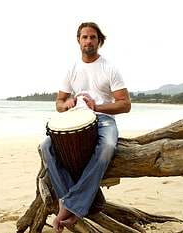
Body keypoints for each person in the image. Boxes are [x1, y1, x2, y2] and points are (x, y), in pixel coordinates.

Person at [40, 22, 131, 233]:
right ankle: (70, 201)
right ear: (78, 40)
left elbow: (125, 104)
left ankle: (69, 204)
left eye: (93, 37)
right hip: (75, 120)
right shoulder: (71, 68)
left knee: (108, 146)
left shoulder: (110, 68)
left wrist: (97, 106)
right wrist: (67, 104)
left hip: (103, 119)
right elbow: (59, 103)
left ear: (99, 41)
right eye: (84, 37)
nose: (88, 41)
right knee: (46, 147)